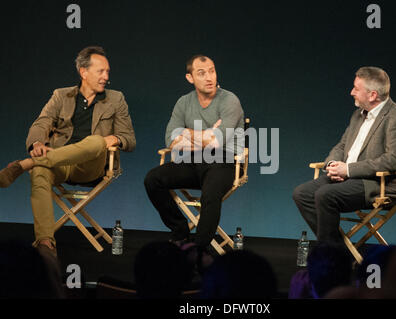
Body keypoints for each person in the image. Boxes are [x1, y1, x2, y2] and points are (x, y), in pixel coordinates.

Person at [0, 46, 136, 257]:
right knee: (41, 172)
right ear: (83, 72)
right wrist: (37, 144)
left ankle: (27, 163)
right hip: (59, 164)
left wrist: (114, 138)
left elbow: (129, 139)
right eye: (101, 71)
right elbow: (41, 123)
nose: (106, 77)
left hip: (91, 166)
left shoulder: (116, 99)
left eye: (108, 72)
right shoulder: (61, 96)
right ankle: (45, 242)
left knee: (95, 141)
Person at [292, 67, 396, 243]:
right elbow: (342, 145)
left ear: (372, 95)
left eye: (356, 89)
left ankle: (331, 255)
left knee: (325, 195)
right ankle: (335, 249)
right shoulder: (358, 115)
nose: (351, 92)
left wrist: (348, 170)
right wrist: (332, 163)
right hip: (347, 179)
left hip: (377, 183)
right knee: (302, 193)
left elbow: (394, 160)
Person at [144, 55, 244, 250]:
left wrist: (187, 135)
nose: (209, 77)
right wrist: (205, 135)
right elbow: (171, 140)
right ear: (190, 78)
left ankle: (198, 249)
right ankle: (180, 230)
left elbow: (218, 141)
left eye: (212, 71)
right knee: (152, 179)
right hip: (194, 162)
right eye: (201, 73)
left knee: (210, 192)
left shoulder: (229, 100)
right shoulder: (184, 102)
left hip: (225, 161)